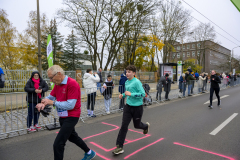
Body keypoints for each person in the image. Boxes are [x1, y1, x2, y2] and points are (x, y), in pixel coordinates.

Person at [36, 65, 96, 160]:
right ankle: (89, 152)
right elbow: (51, 96)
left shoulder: (72, 84)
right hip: (63, 115)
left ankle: (89, 153)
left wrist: (52, 103)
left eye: (51, 77)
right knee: (72, 137)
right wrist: (43, 102)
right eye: (49, 78)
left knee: (58, 144)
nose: (51, 80)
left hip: (72, 116)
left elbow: (70, 105)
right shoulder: (57, 84)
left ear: (59, 74)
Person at [113, 65, 150, 155]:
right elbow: (127, 93)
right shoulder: (126, 82)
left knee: (137, 125)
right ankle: (119, 146)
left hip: (137, 108)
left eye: (129, 72)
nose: (127, 73)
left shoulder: (137, 82)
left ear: (134, 73)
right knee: (124, 126)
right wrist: (123, 95)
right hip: (128, 107)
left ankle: (145, 126)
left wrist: (131, 94)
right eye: (126, 71)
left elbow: (143, 94)